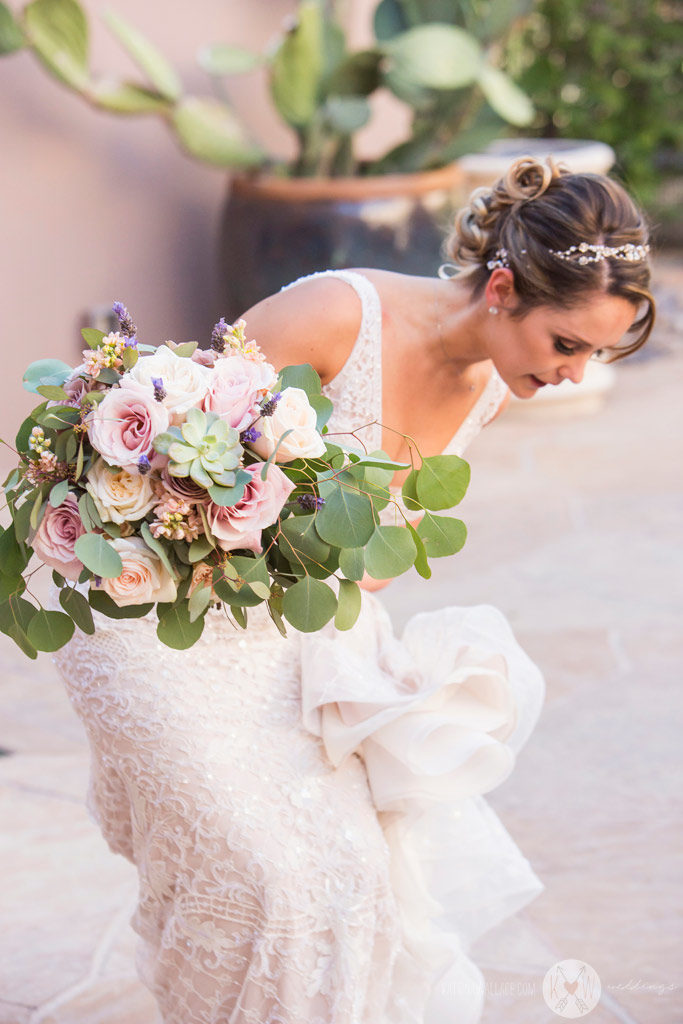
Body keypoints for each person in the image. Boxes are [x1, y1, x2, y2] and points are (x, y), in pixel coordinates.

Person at [53, 157, 655, 1024]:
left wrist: (360, 559)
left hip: (286, 632)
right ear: (499, 288)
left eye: (594, 354)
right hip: (157, 612)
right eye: (567, 344)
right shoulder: (337, 313)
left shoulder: (492, 382)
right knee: (267, 875)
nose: (573, 372)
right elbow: (168, 456)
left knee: (351, 878)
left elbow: (381, 537)